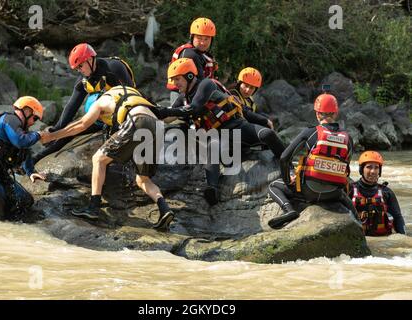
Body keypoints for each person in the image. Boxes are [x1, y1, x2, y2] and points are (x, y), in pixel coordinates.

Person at [39, 86, 175, 231]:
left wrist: (52, 136)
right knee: (142, 179)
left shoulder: (99, 102)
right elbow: (167, 116)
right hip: (157, 127)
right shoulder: (131, 94)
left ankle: (93, 208)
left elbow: (81, 125)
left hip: (137, 121)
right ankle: (164, 209)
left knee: (98, 159)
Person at [159, 58, 285, 205]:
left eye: (177, 79)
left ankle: (286, 162)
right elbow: (168, 116)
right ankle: (212, 190)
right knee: (213, 148)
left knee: (268, 134)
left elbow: (195, 108)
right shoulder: (183, 99)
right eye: (173, 80)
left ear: (189, 76)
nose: (175, 84)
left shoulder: (207, 84)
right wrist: (154, 111)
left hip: (238, 127)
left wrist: (264, 121)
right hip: (219, 136)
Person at [31, 43, 136, 165]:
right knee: (67, 133)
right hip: (102, 116)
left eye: (80, 66)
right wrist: (56, 129)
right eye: (77, 68)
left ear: (90, 59)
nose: (79, 70)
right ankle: (36, 159)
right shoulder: (84, 79)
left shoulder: (114, 69)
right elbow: (71, 107)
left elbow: (132, 98)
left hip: (124, 114)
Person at [267, 93, 355, 229]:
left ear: (318, 114)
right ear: (336, 113)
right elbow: (346, 168)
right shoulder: (348, 138)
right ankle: (358, 221)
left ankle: (289, 210)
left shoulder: (311, 132)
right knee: (344, 195)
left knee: (273, 186)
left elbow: (284, 158)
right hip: (334, 194)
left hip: (309, 192)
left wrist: (288, 180)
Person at [349, 151, 406, 236]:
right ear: (361, 169)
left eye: (376, 168)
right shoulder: (350, 190)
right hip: (358, 238)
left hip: (382, 239)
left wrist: (403, 237)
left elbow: (397, 217)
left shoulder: (387, 193)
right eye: (369, 167)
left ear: (380, 171)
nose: (373, 171)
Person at [167, 17, 218, 104]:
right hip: (182, 97)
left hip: (192, 95)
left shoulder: (200, 53)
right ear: (192, 37)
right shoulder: (190, 55)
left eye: (206, 39)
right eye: (199, 38)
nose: (203, 43)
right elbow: (199, 84)